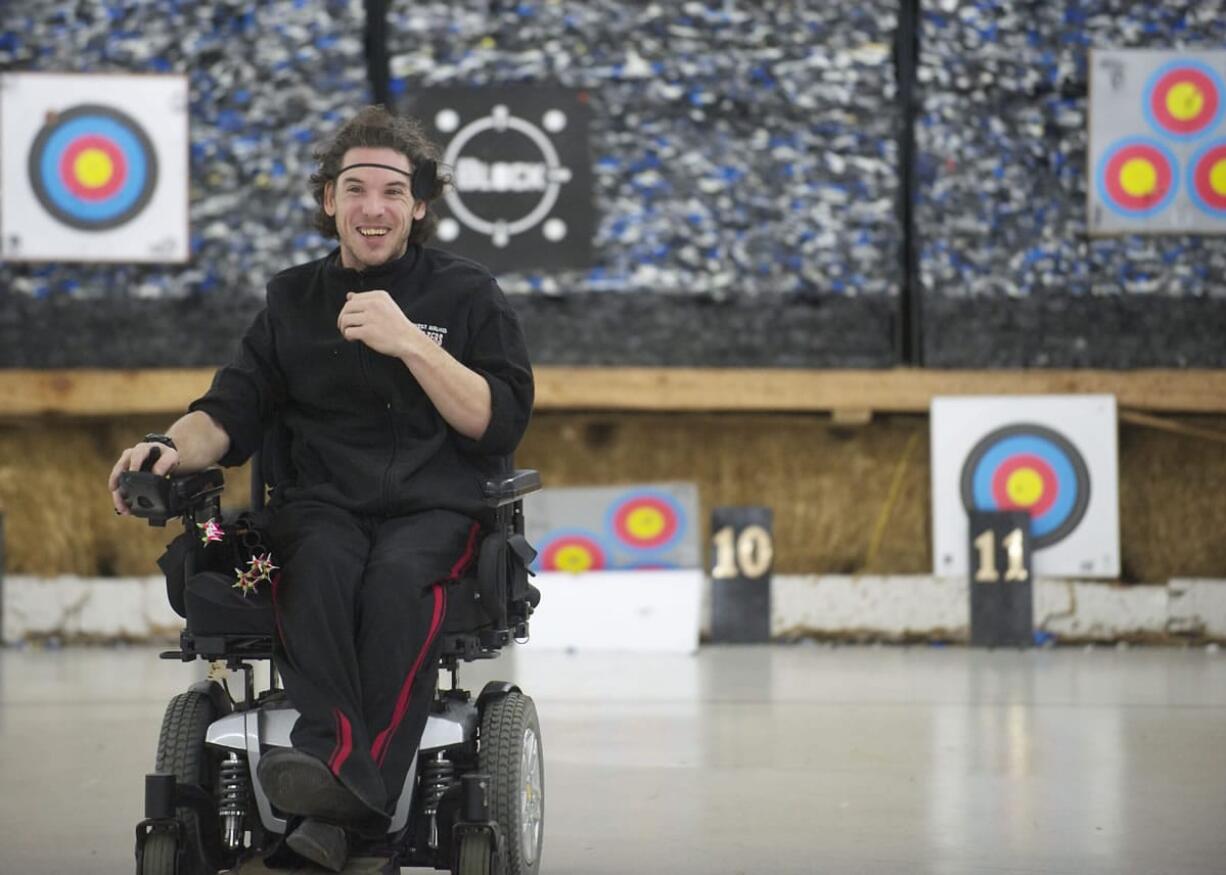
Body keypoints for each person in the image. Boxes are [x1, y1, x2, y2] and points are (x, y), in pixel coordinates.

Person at [108, 105, 534, 871]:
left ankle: (332, 794)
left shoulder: (468, 294)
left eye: (394, 191)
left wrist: (408, 340)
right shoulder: (291, 301)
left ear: (421, 204)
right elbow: (228, 411)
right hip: (319, 509)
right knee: (311, 569)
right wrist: (168, 445)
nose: (375, 207)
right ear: (328, 199)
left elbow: (495, 423)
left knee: (400, 581)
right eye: (356, 188)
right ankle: (354, 799)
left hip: (436, 509)